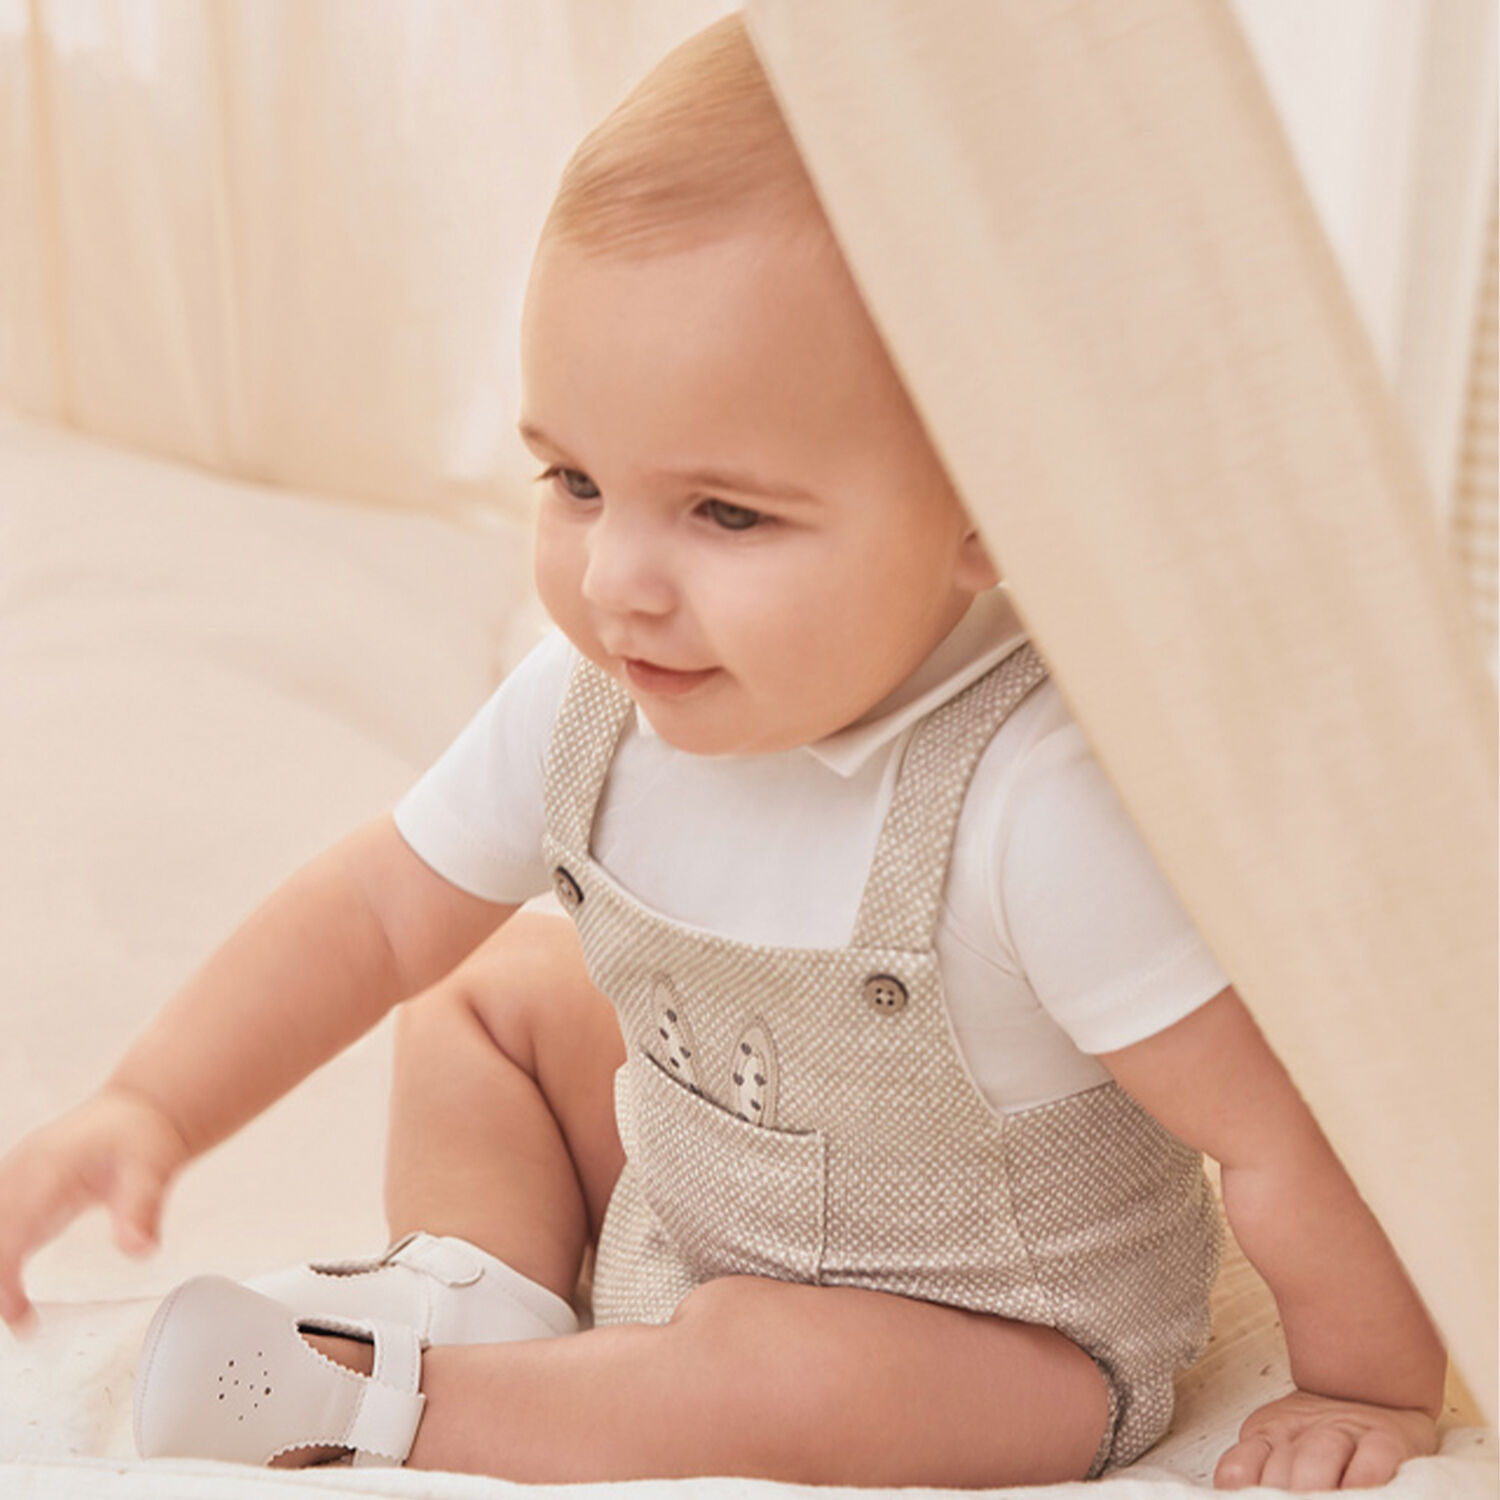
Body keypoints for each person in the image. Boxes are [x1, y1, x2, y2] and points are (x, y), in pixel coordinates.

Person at [0, 12, 1445, 1491]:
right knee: (478, 1003)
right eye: (575, 480)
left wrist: (1371, 1387)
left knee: (769, 1359)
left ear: (985, 511)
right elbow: (373, 915)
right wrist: (152, 1103)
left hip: (986, 1349)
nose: (616, 581)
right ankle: (479, 1287)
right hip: (687, 1209)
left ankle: (406, 1410)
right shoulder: (587, 703)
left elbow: (1273, 1135)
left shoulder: (1038, 804)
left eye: (726, 513)